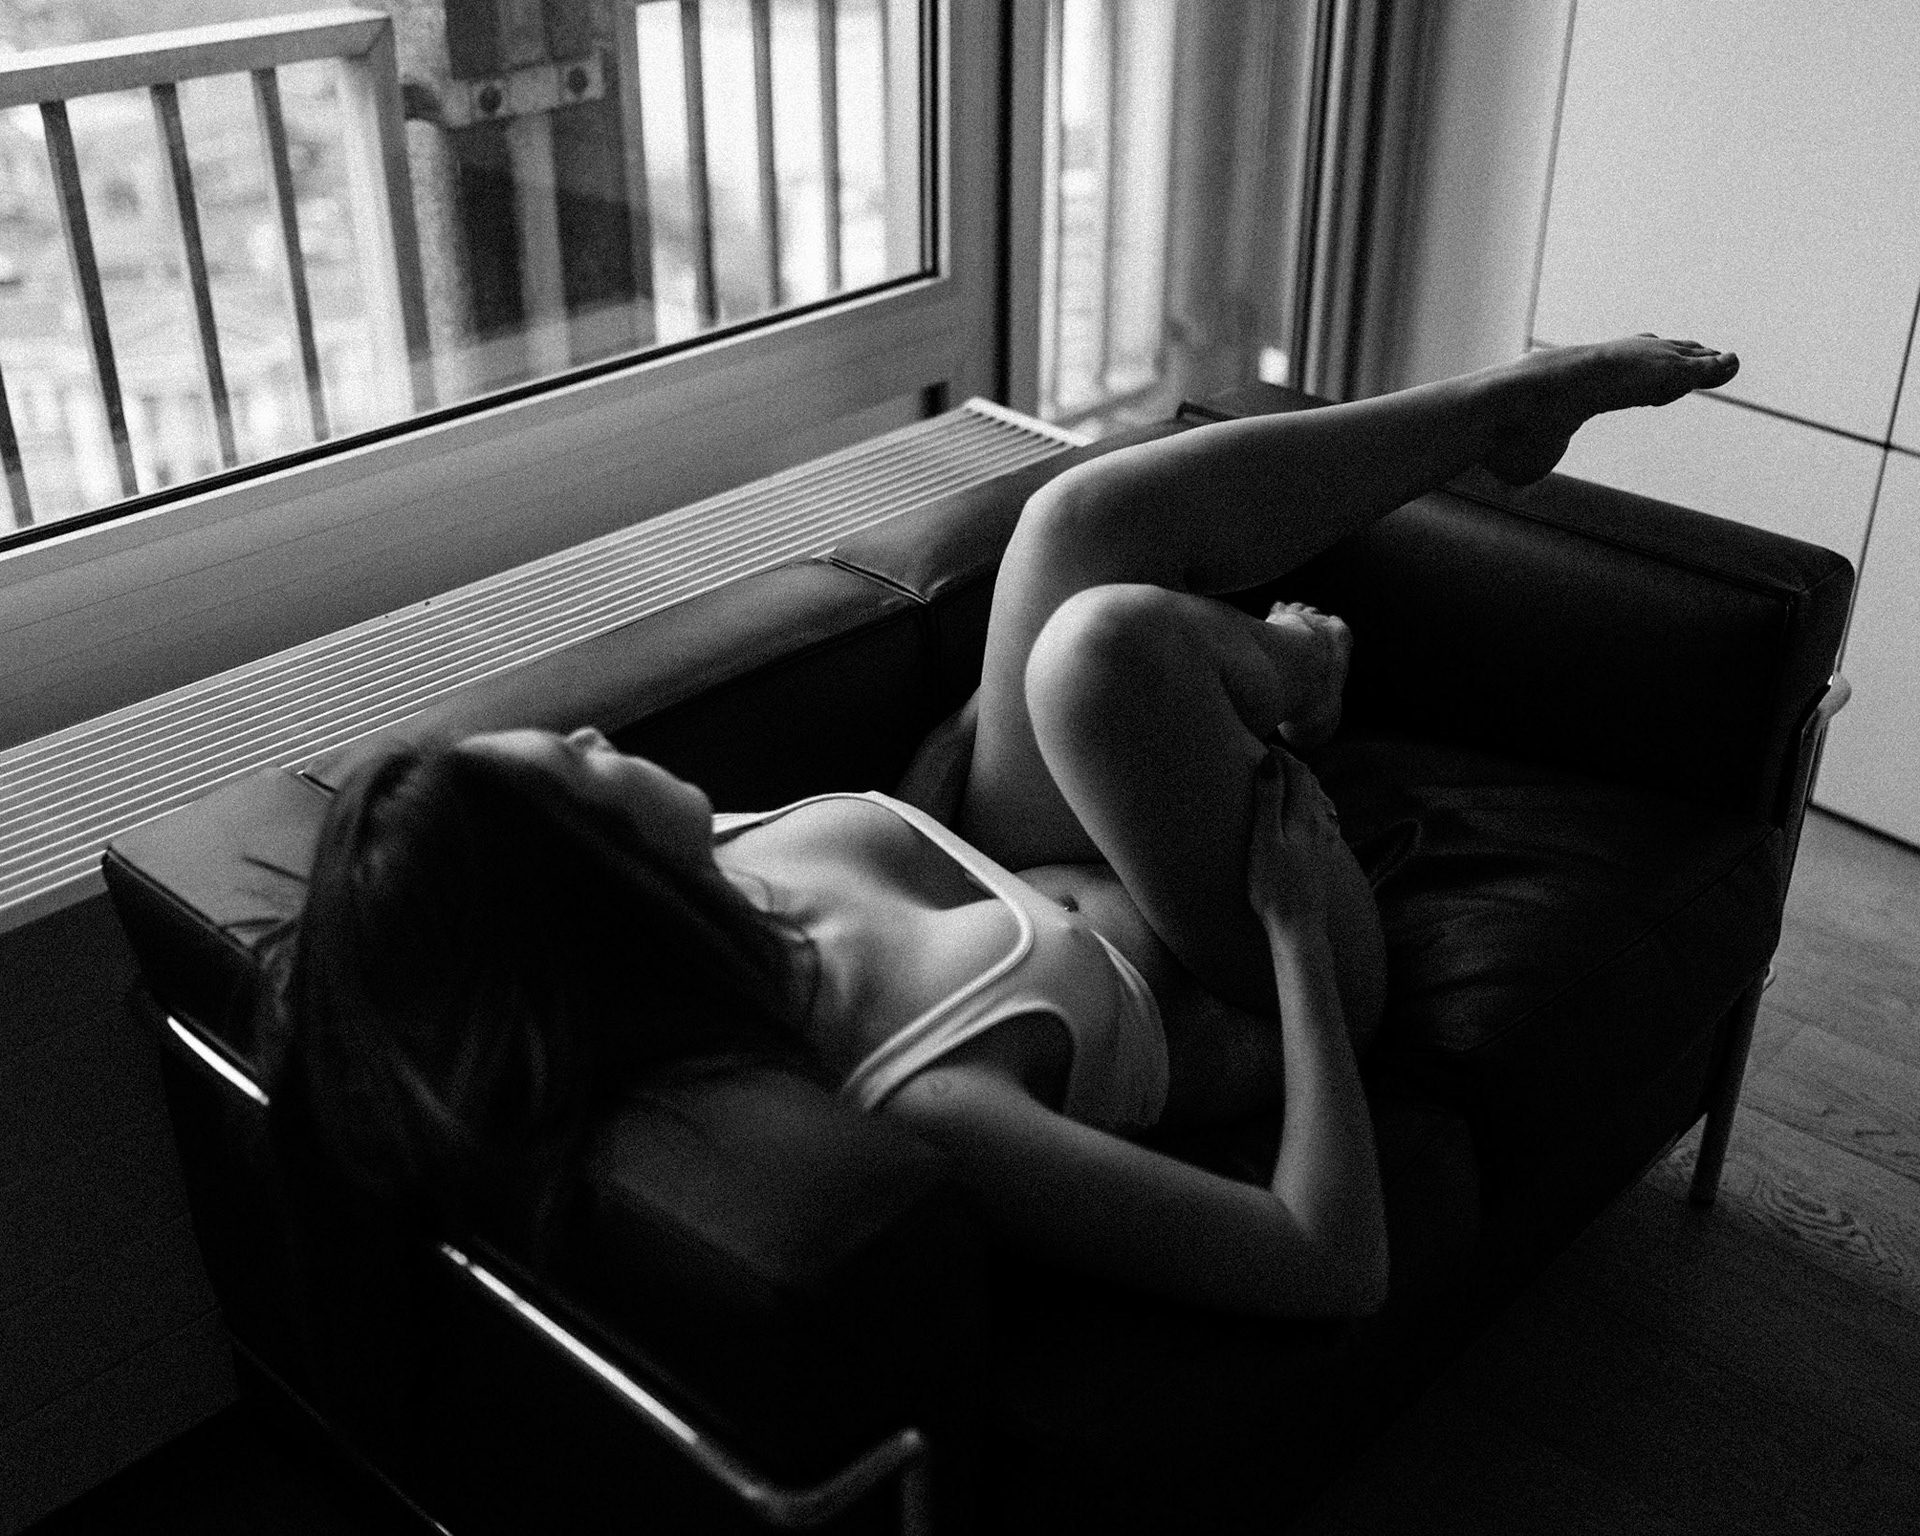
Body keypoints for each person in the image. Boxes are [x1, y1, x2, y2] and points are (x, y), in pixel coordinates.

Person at [284, 335, 1739, 1319]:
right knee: (1099, 653)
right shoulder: (930, 1105)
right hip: (1254, 965)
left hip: (1044, 866)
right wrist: (1301, 932)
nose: (602, 736)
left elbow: (914, 848)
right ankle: (1295, 686)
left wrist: (954, 768)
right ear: (600, 891)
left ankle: (1496, 416)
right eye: (579, 761)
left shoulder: (711, 865)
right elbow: (1327, 1261)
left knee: (1067, 531)